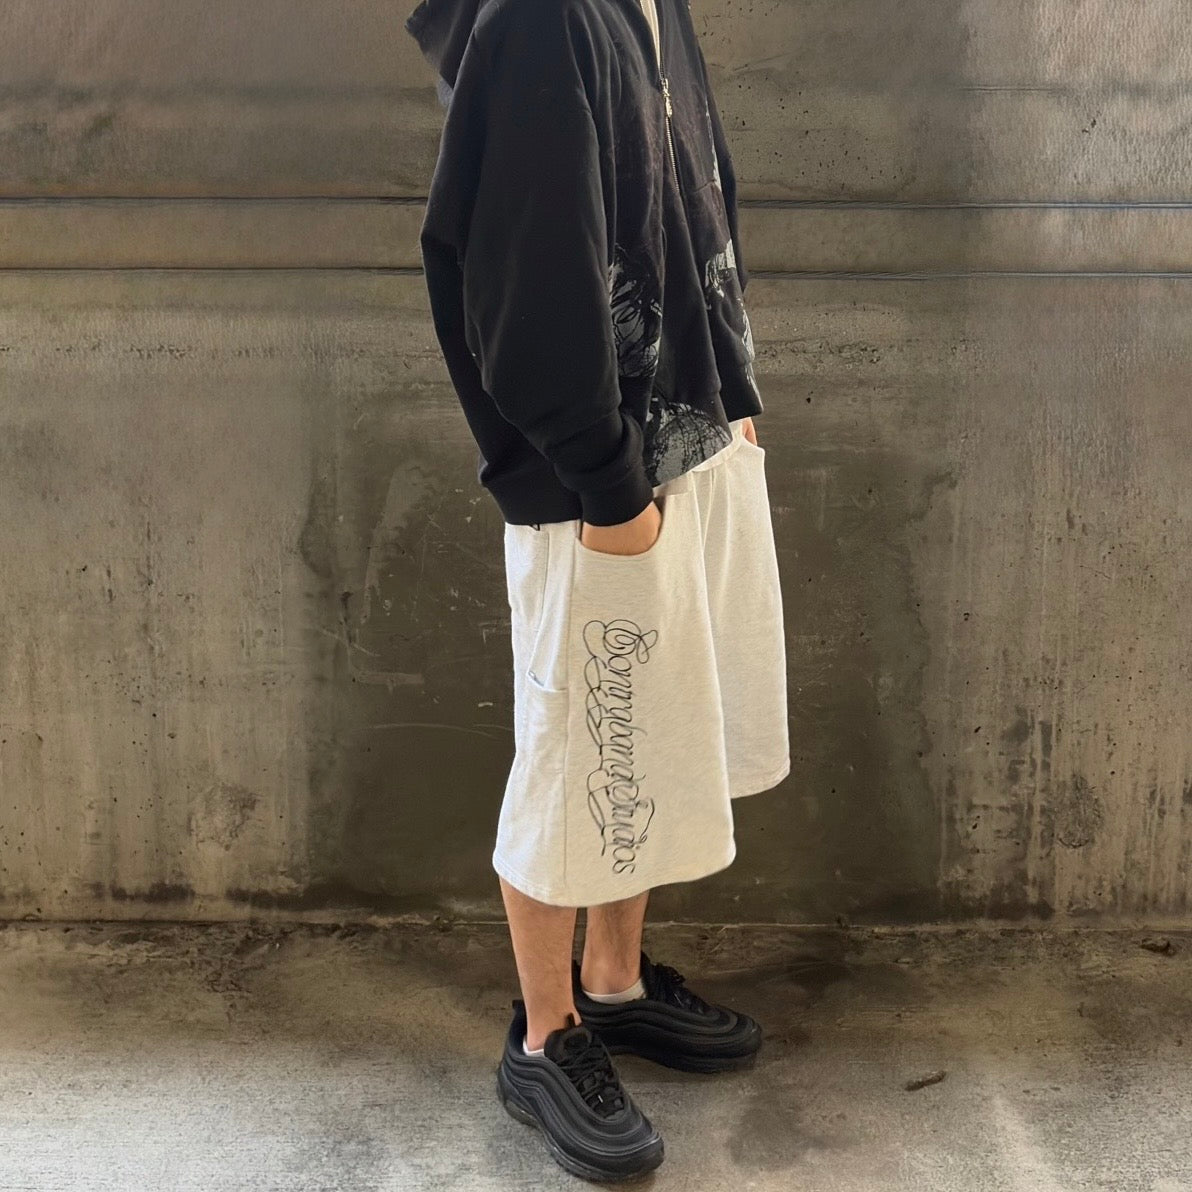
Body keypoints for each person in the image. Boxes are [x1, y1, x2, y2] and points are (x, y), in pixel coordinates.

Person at [407, 0, 790, 1179]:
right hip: (595, 478)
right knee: (576, 748)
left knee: (648, 740)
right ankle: (545, 1033)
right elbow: (520, 287)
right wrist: (608, 486)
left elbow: (698, 189)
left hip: (684, 431)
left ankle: (613, 982)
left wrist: (733, 387)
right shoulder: (538, 20)